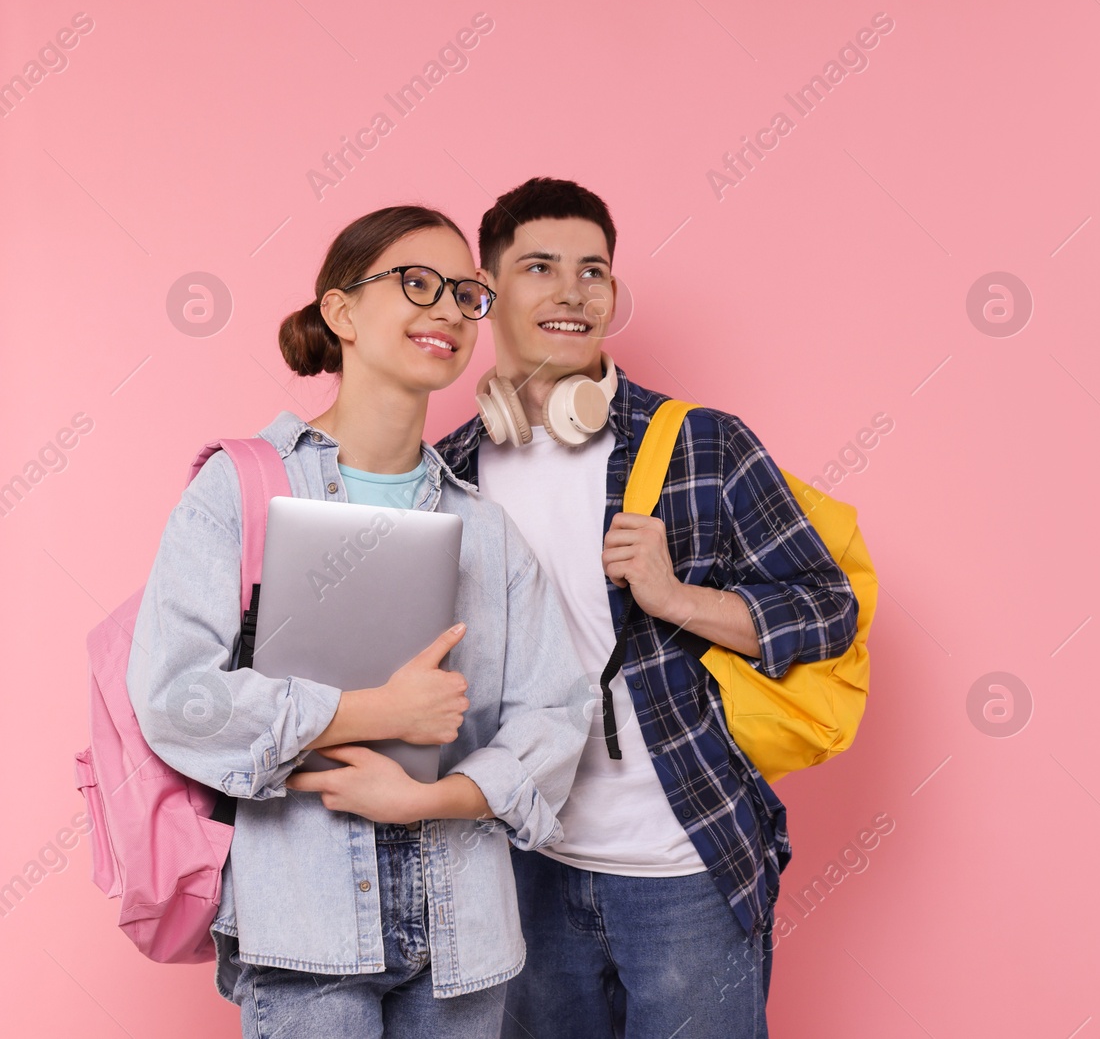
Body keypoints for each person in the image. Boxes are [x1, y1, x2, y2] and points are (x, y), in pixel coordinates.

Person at [126, 205, 589, 1038]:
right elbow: (175, 695)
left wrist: (429, 796)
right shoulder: (240, 490)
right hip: (306, 934)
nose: (449, 309)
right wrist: (371, 713)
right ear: (340, 312)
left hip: (465, 941)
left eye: (466, 293)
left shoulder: (488, 529)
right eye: (418, 283)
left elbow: (555, 711)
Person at [435, 178, 859, 1038]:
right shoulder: (450, 474)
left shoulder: (702, 442)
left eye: (593, 270)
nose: (572, 291)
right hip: (525, 865)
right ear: (486, 293)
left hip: (683, 863)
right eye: (540, 267)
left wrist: (677, 598)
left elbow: (829, 607)